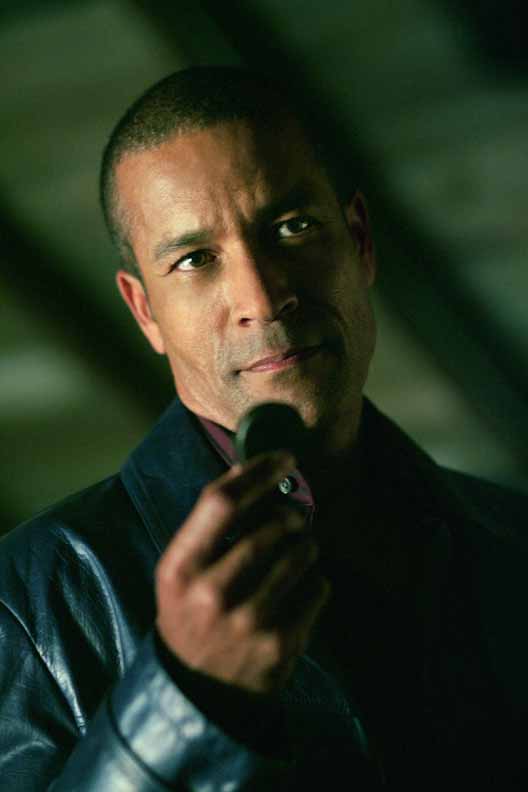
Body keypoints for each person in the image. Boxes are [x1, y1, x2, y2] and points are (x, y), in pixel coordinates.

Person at [0, 66, 527, 791]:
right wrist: (186, 697)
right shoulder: (25, 604)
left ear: (359, 242)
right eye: (195, 260)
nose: (261, 297)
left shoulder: (512, 538)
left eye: (293, 228)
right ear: (145, 312)